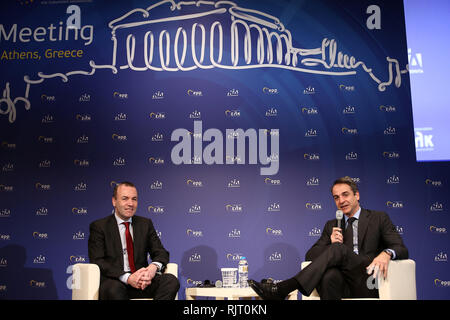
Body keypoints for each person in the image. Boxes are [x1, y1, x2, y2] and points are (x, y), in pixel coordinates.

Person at [248, 176, 408, 300]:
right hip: (341, 283)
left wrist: (386, 253)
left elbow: (400, 248)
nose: (341, 201)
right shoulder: (332, 225)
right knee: (328, 276)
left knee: (339, 250)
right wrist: (330, 244)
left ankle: (283, 288)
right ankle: (281, 290)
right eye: (336, 197)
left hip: (367, 280)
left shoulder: (378, 218)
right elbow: (310, 255)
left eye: (345, 195)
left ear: (357, 195)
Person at [88, 181, 180, 300]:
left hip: (142, 283)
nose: (130, 203)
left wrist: (152, 269)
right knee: (113, 289)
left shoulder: (145, 224)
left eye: (134, 199)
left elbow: (161, 253)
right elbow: (98, 260)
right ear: (114, 201)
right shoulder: (99, 226)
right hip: (116, 282)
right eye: (125, 198)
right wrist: (127, 278)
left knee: (171, 281)